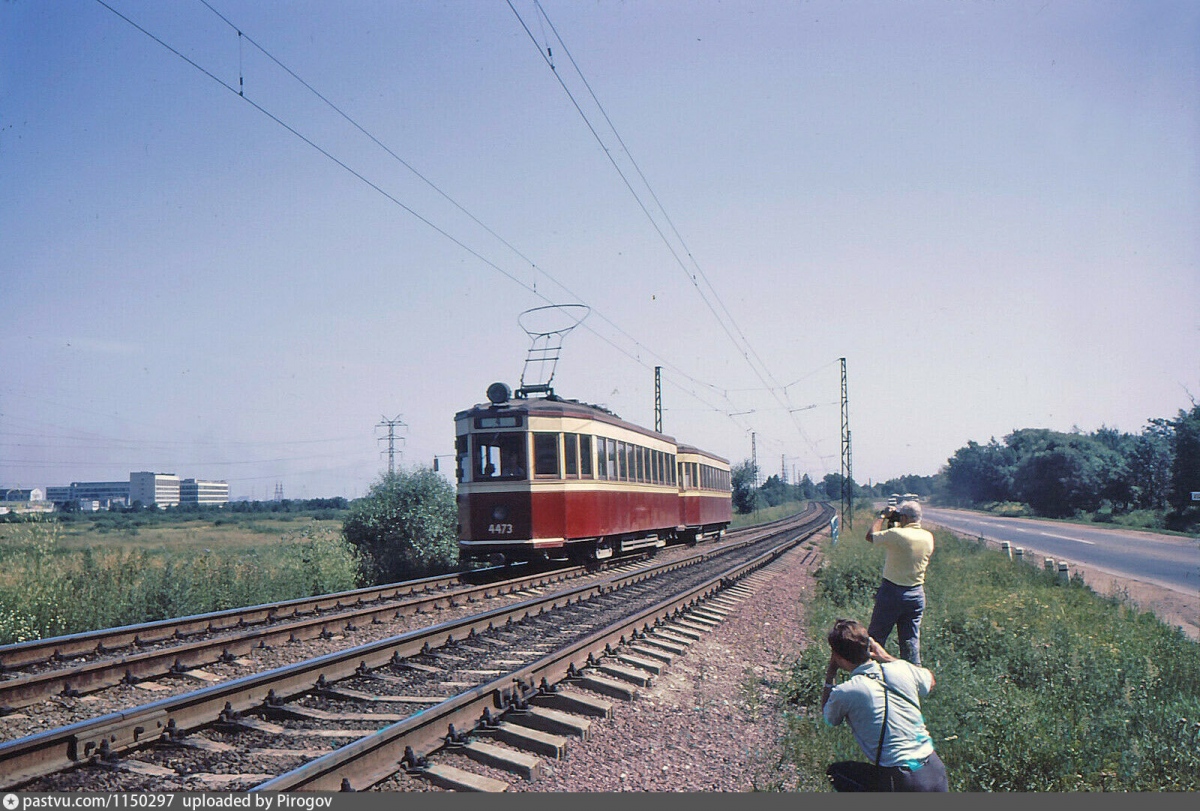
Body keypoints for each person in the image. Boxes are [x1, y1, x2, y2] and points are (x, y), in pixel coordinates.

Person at [821, 618, 948, 792]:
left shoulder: (846, 691)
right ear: (869, 647)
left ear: (838, 656)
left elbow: (829, 719)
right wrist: (886, 657)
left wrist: (831, 672)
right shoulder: (901, 668)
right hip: (935, 770)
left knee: (837, 772)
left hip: (903, 779)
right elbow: (930, 681)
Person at [865, 499, 934, 665]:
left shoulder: (897, 535)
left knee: (876, 637)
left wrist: (882, 516)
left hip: (892, 593)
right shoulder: (928, 537)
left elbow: (871, 536)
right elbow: (900, 542)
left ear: (903, 518)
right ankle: (913, 679)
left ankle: (869, 672)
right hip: (916, 594)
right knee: (910, 641)